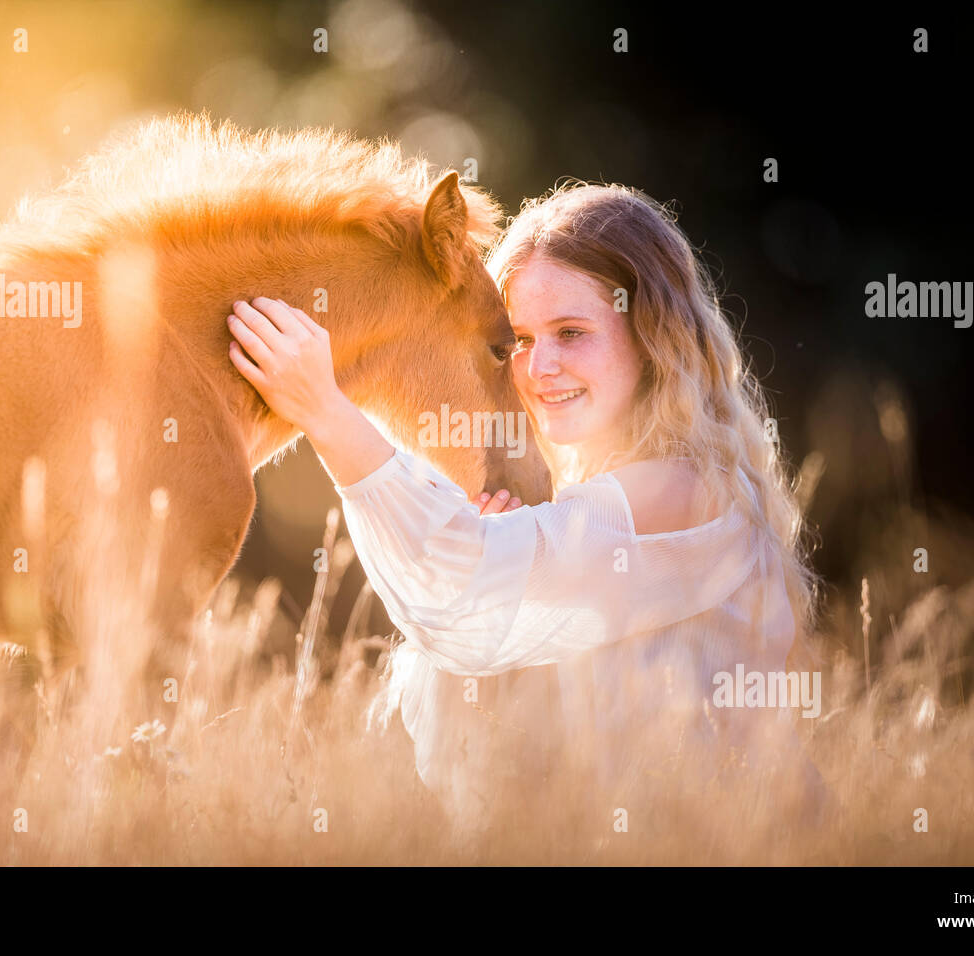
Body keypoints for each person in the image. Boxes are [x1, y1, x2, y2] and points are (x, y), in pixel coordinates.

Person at [226, 181, 827, 838]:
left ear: (654, 333)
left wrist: (325, 411)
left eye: (572, 333)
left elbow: (459, 589)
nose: (540, 366)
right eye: (519, 339)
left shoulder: (681, 489)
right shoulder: (588, 500)